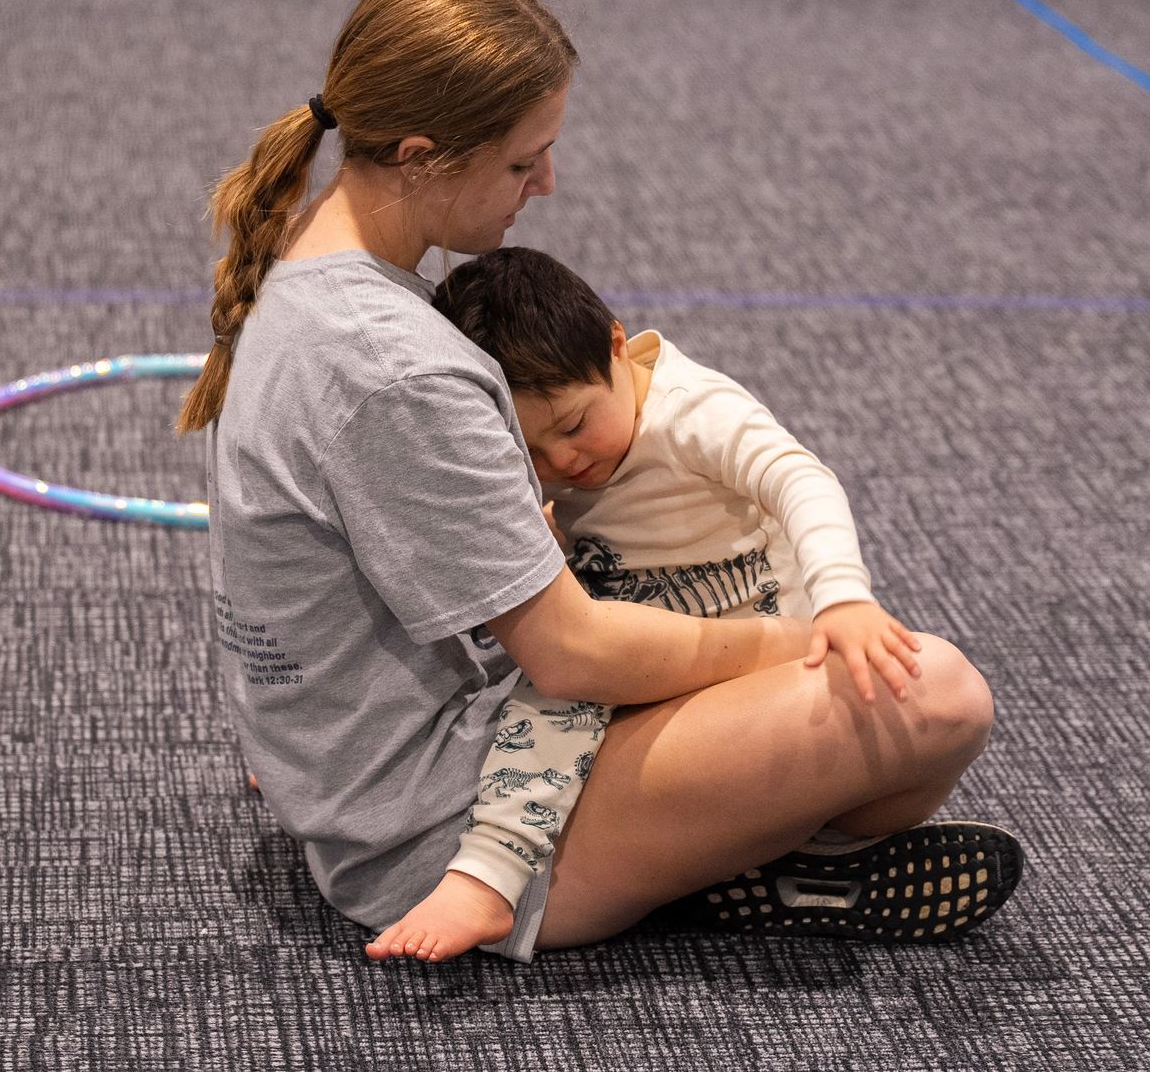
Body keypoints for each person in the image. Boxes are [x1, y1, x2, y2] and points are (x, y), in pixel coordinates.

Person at [178, 0, 1011, 966]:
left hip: (362, 781)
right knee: (936, 695)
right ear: (423, 154)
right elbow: (572, 658)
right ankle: (753, 863)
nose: (547, 184)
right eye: (522, 162)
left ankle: (727, 846)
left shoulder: (306, 267)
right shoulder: (398, 367)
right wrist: (790, 642)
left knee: (802, 654)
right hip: (437, 833)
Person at [365, 246, 1021, 959]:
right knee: (550, 710)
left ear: (617, 345)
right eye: (533, 451)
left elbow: (800, 479)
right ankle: (487, 875)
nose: (564, 462)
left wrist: (842, 597)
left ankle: (812, 849)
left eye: (575, 426)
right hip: (644, 649)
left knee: (897, 703)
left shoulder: (693, 411)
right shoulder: (567, 443)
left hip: (754, 649)